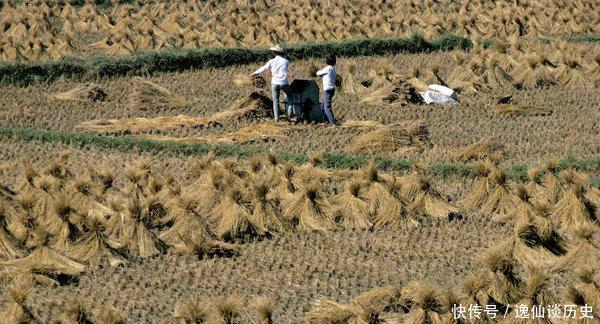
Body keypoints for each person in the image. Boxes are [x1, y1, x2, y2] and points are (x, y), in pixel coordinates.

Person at [252, 45, 290, 122]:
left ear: (274, 53)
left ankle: (276, 118)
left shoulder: (271, 61)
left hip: (275, 83)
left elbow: (264, 68)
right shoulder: (286, 61)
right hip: (283, 83)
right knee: (291, 96)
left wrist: (254, 73)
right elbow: (283, 72)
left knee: (275, 101)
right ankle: (291, 112)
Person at [316, 54, 337, 126]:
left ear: (327, 61)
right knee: (322, 106)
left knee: (326, 107)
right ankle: (326, 121)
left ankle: (333, 123)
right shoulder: (333, 69)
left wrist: (319, 73)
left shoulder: (328, 68)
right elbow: (326, 76)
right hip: (331, 89)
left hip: (328, 90)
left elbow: (318, 73)